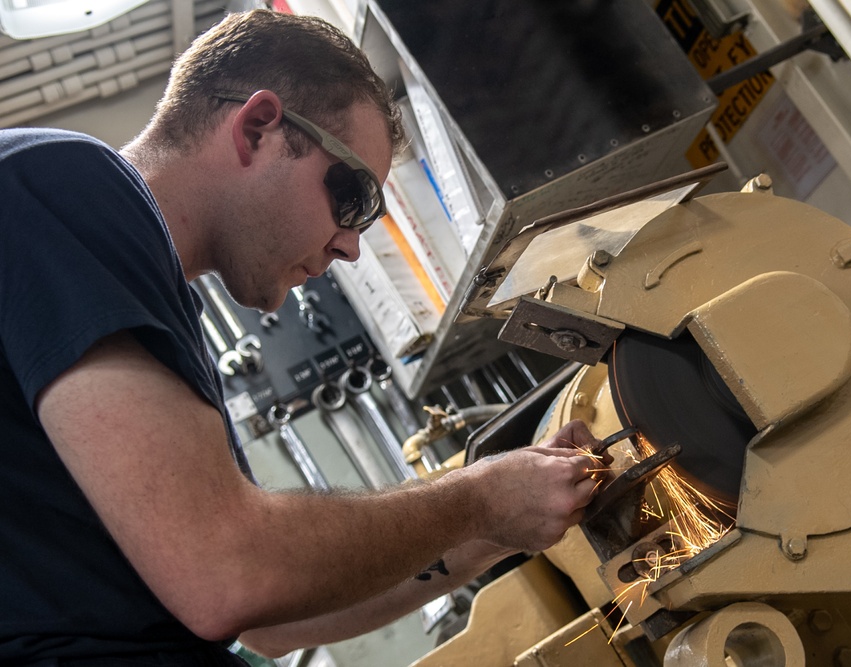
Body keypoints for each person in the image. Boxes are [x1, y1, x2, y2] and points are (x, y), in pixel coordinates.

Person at [0, 9, 609, 666]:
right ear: (259, 127)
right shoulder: (66, 181)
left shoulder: (159, 321)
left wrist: (495, 526)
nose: (350, 245)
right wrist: (479, 497)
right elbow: (226, 572)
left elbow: (268, 619)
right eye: (353, 200)